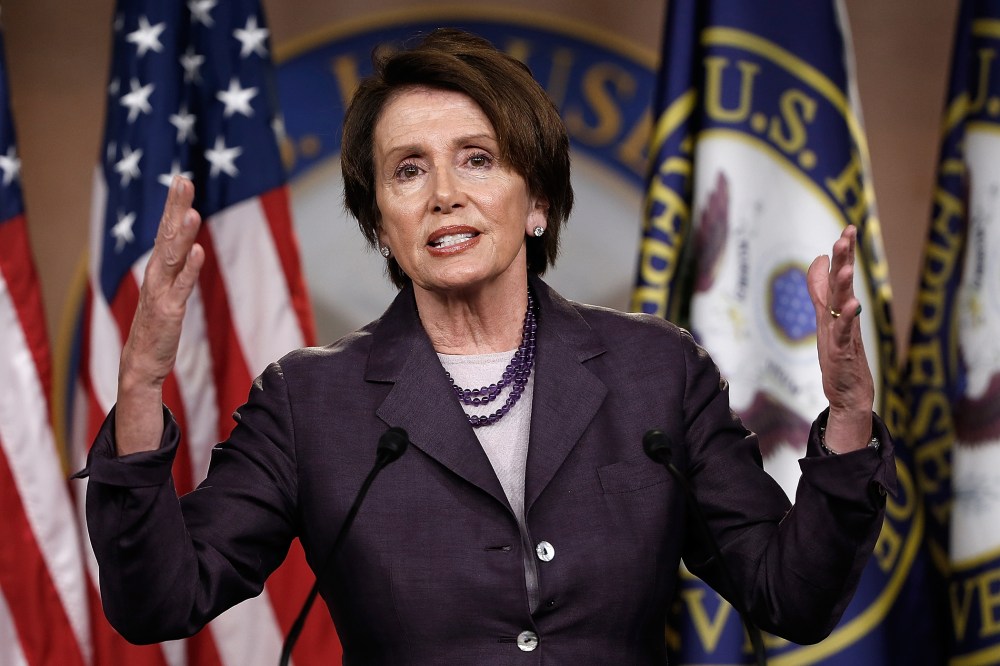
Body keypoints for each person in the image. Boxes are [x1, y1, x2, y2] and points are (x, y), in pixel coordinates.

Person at [79, 28, 895, 665]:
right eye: (408, 171)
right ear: (382, 227)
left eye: (478, 159)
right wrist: (144, 386)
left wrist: (851, 413)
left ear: (536, 199)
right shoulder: (309, 402)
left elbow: (792, 596)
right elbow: (159, 602)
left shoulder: (657, 371)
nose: (445, 195)